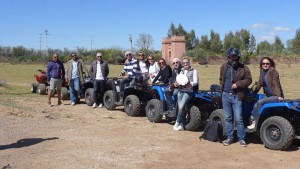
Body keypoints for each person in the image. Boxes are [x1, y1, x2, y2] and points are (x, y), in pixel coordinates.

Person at [220, 47, 252, 147]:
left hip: (237, 96)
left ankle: (242, 139)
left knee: (238, 118)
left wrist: (238, 84)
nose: (234, 58)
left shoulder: (244, 68)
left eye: (235, 57)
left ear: (238, 57)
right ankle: (230, 138)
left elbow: (249, 80)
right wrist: (223, 91)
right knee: (228, 118)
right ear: (228, 57)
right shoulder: (224, 66)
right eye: (232, 56)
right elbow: (221, 79)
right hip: (225, 95)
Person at [247, 57, 284, 129]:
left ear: (270, 64)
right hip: (268, 95)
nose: (265, 65)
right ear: (261, 64)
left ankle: (254, 124)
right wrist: (253, 92)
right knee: (255, 104)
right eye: (263, 63)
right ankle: (254, 120)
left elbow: (276, 84)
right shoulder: (262, 71)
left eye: (267, 63)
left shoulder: (273, 71)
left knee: (260, 102)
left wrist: (279, 96)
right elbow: (260, 83)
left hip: (275, 95)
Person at [173, 57, 198, 131]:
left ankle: (177, 122)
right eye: (184, 63)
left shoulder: (194, 71)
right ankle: (181, 125)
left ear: (189, 63)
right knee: (181, 108)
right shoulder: (181, 71)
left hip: (188, 92)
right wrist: (177, 84)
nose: (185, 64)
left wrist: (190, 84)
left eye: (186, 62)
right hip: (180, 91)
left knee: (181, 107)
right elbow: (179, 79)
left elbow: (196, 81)